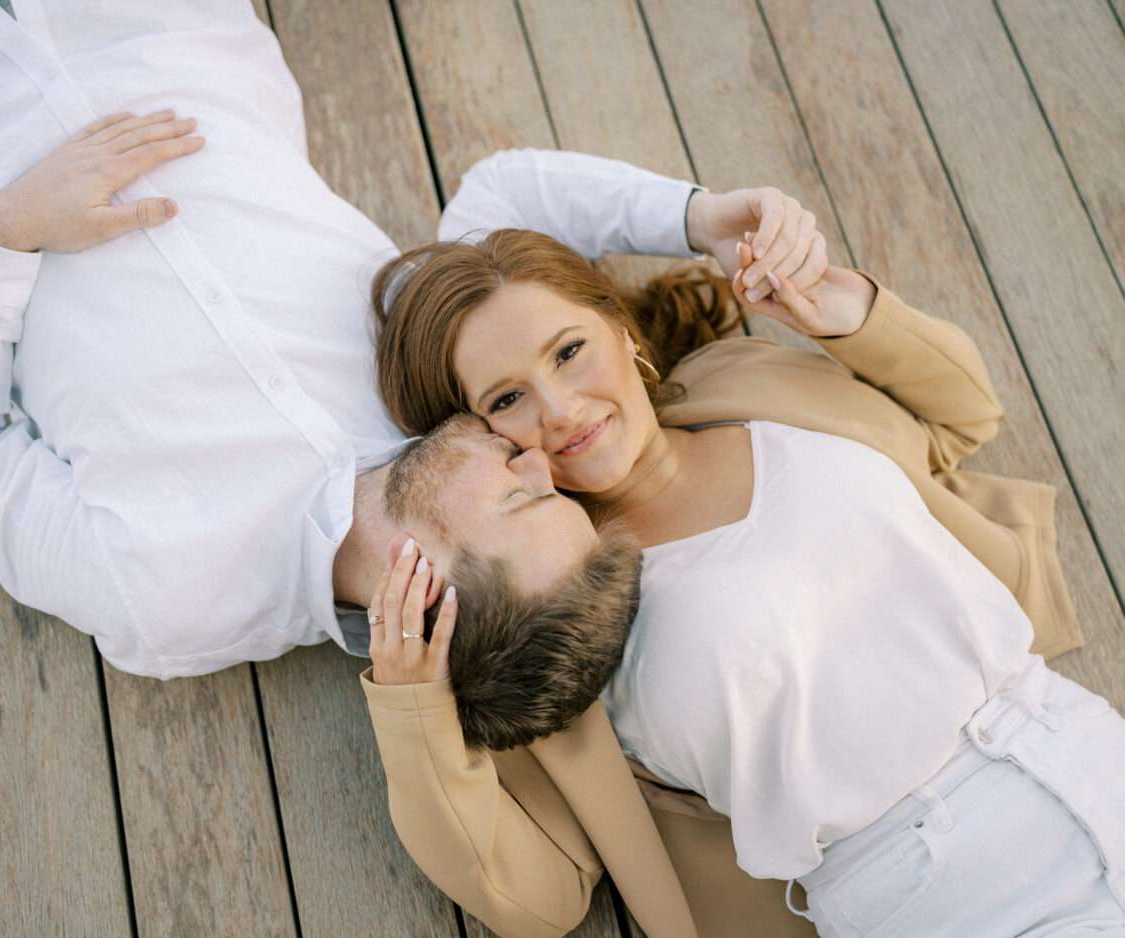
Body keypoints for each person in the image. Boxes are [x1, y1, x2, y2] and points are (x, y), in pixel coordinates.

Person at [0, 3, 828, 930]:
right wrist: (694, 214)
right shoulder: (429, 391)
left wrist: (5, 234)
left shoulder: (170, 593)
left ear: (420, 596)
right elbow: (499, 203)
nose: (538, 463)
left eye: (524, 502)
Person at [360, 220, 1125, 936]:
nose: (559, 410)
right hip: (933, 886)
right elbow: (534, 899)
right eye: (507, 399)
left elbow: (965, 416)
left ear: (622, 333)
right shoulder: (556, 620)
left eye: (567, 352)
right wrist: (410, 710)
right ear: (474, 435)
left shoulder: (738, 384)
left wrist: (843, 308)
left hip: (1077, 744)